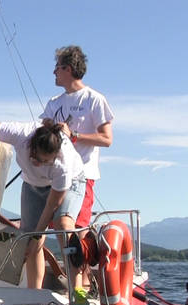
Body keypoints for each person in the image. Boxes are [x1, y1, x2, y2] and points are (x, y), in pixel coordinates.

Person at [0, 119, 85, 290]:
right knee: (28, 239)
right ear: (31, 146)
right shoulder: (22, 133)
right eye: (35, 158)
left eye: (45, 162)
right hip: (32, 184)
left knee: (63, 225)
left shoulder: (63, 165)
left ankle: (77, 291)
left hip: (72, 182)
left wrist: (37, 236)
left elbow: (51, 206)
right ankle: (34, 294)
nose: (38, 164)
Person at [40, 45, 114, 287]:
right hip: (55, 175)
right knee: (59, 230)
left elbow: (106, 139)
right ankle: (79, 278)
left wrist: (74, 135)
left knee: (74, 227)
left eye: (57, 67)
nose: (53, 72)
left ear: (68, 69)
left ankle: (82, 282)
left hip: (83, 174)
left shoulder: (95, 99)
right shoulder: (53, 103)